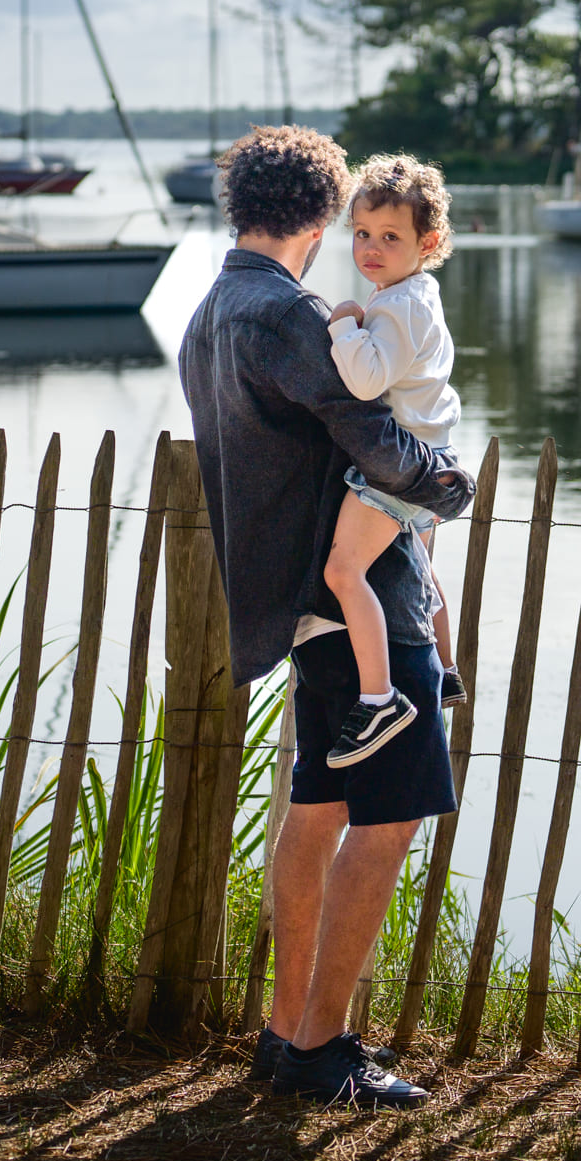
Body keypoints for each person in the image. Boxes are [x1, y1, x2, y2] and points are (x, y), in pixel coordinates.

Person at [178, 125, 474, 1110]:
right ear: (322, 216)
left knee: (316, 808)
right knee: (387, 822)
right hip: (360, 600)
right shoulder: (290, 314)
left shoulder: (208, 313)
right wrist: (450, 483)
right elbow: (378, 440)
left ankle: (284, 1029)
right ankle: (320, 1044)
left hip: (301, 605)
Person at [320, 153, 467, 768]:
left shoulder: (397, 306)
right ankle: (447, 668)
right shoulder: (417, 294)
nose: (371, 249)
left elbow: (366, 380)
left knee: (343, 571)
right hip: (431, 456)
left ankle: (379, 698)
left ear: (426, 243)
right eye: (362, 234)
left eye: (390, 237)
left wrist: (343, 327)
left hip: (398, 466)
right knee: (421, 567)